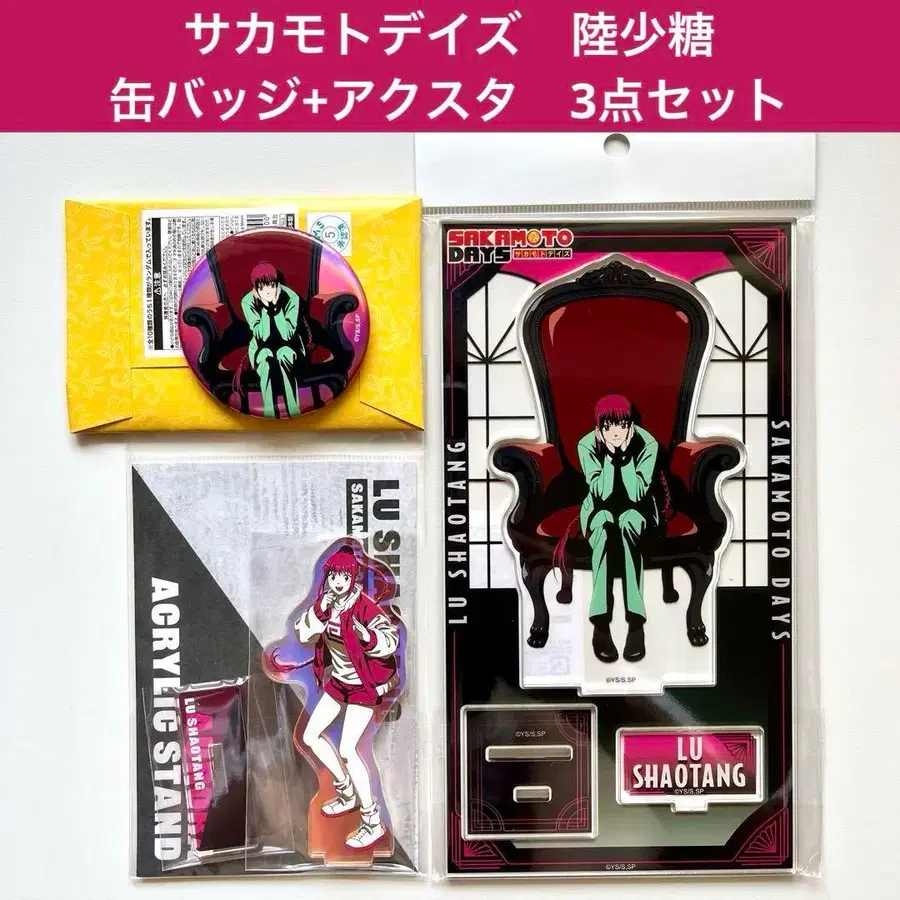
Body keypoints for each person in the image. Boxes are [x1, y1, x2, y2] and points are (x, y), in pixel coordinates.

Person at [291, 545, 400, 851]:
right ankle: (346, 791)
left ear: (353, 578)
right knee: (310, 736)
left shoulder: (364, 606)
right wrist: (320, 611)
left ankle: (373, 821)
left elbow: (391, 641)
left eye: (345, 576)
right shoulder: (325, 604)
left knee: (349, 750)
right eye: (334, 576)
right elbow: (304, 635)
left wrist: (368, 637)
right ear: (327, 577)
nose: (339, 582)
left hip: (365, 684)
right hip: (339, 683)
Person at [577, 394, 659, 664]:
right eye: (608, 426)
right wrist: (611, 457)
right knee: (603, 529)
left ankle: (636, 623)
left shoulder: (647, 444)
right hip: (599, 510)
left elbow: (636, 493)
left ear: (630, 425)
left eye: (622, 425)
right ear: (598, 428)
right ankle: (601, 623)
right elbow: (600, 492)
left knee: (626, 524)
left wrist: (623, 458)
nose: (616, 432)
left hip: (637, 510)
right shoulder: (586, 445)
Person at [240, 262, 311, 418]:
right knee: (265, 358)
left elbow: (287, 334)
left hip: (290, 345)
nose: (268, 291)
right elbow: (261, 335)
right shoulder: (248, 301)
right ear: (255, 290)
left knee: (284, 354)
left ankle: (292, 409)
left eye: (271, 286)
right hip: (261, 347)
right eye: (262, 288)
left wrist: (276, 308)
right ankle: (269, 412)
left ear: (277, 285)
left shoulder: (291, 297)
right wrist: (266, 309)